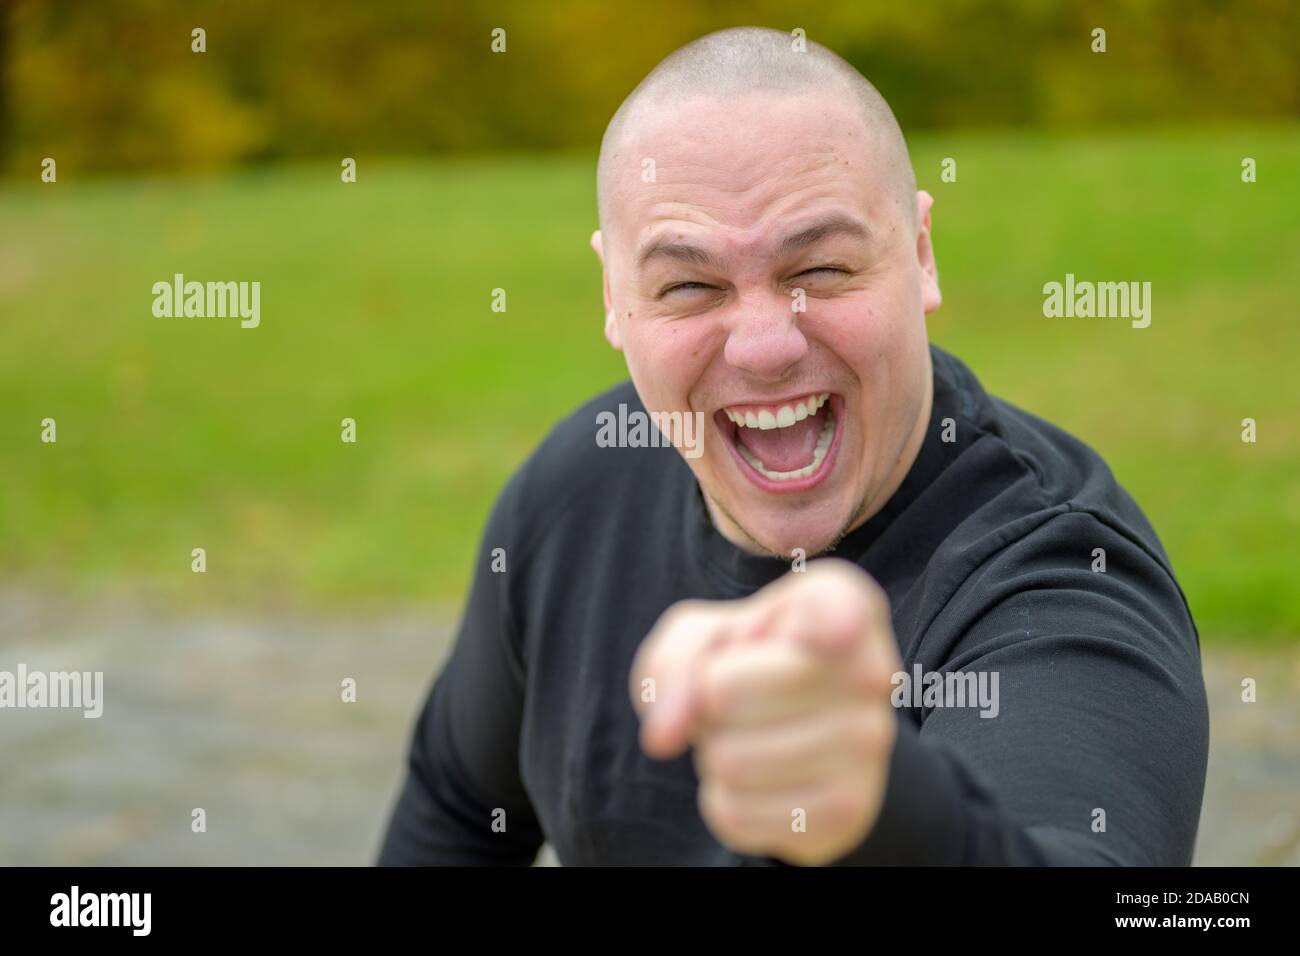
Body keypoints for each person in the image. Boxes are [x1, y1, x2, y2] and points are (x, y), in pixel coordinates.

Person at [377, 26, 1208, 866]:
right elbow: (452, 808)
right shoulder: (574, 494)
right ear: (613, 297)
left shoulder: (1060, 573)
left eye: (819, 270)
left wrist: (882, 808)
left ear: (920, 255)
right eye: (690, 285)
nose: (765, 346)